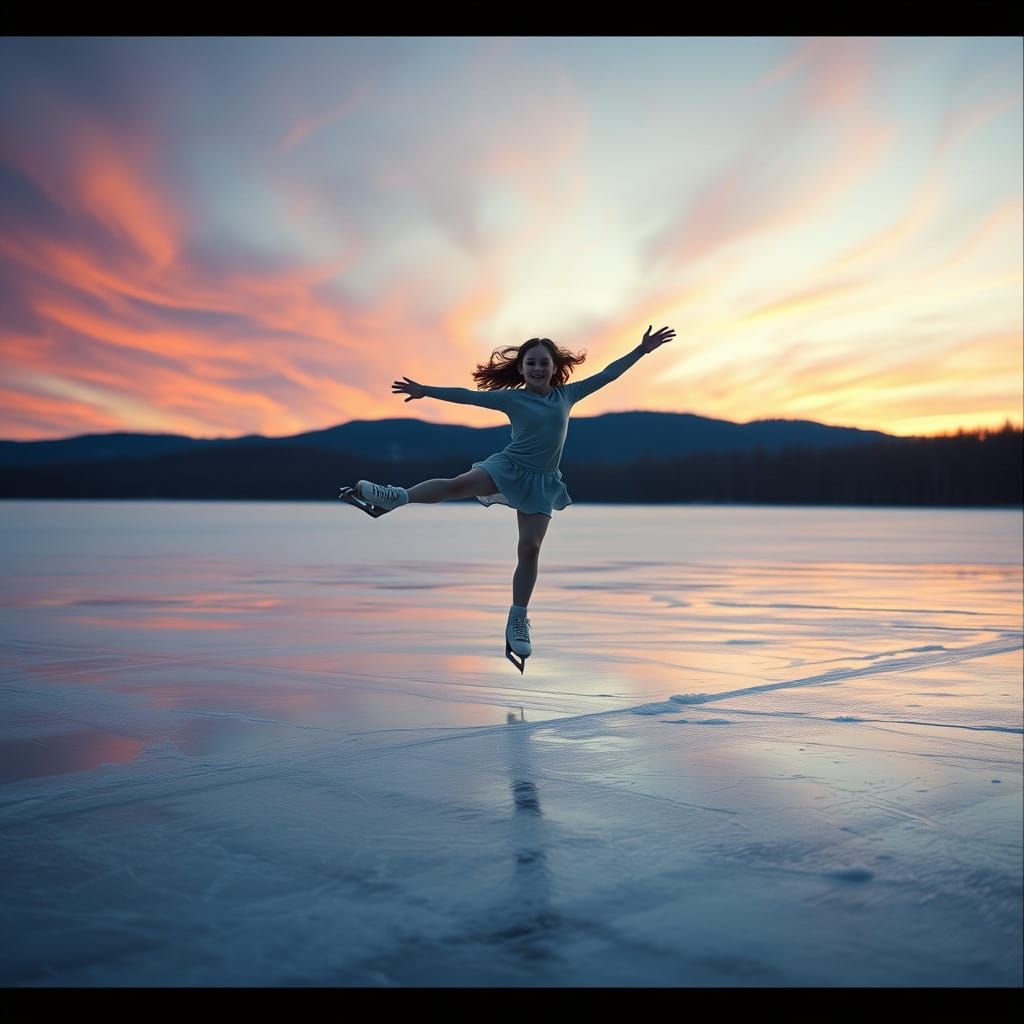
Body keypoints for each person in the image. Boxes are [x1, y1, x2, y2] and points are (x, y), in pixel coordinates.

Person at [340, 324, 676, 671]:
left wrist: (641, 350)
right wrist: (426, 390)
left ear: (554, 366)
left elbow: (608, 374)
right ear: (522, 369)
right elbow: (468, 395)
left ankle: (518, 618)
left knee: (529, 550)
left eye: (543, 362)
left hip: (542, 483)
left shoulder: (567, 395)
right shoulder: (512, 398)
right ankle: (397, 496)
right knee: (459, 485)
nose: (537, 368)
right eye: (531, 363)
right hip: (508, 467)